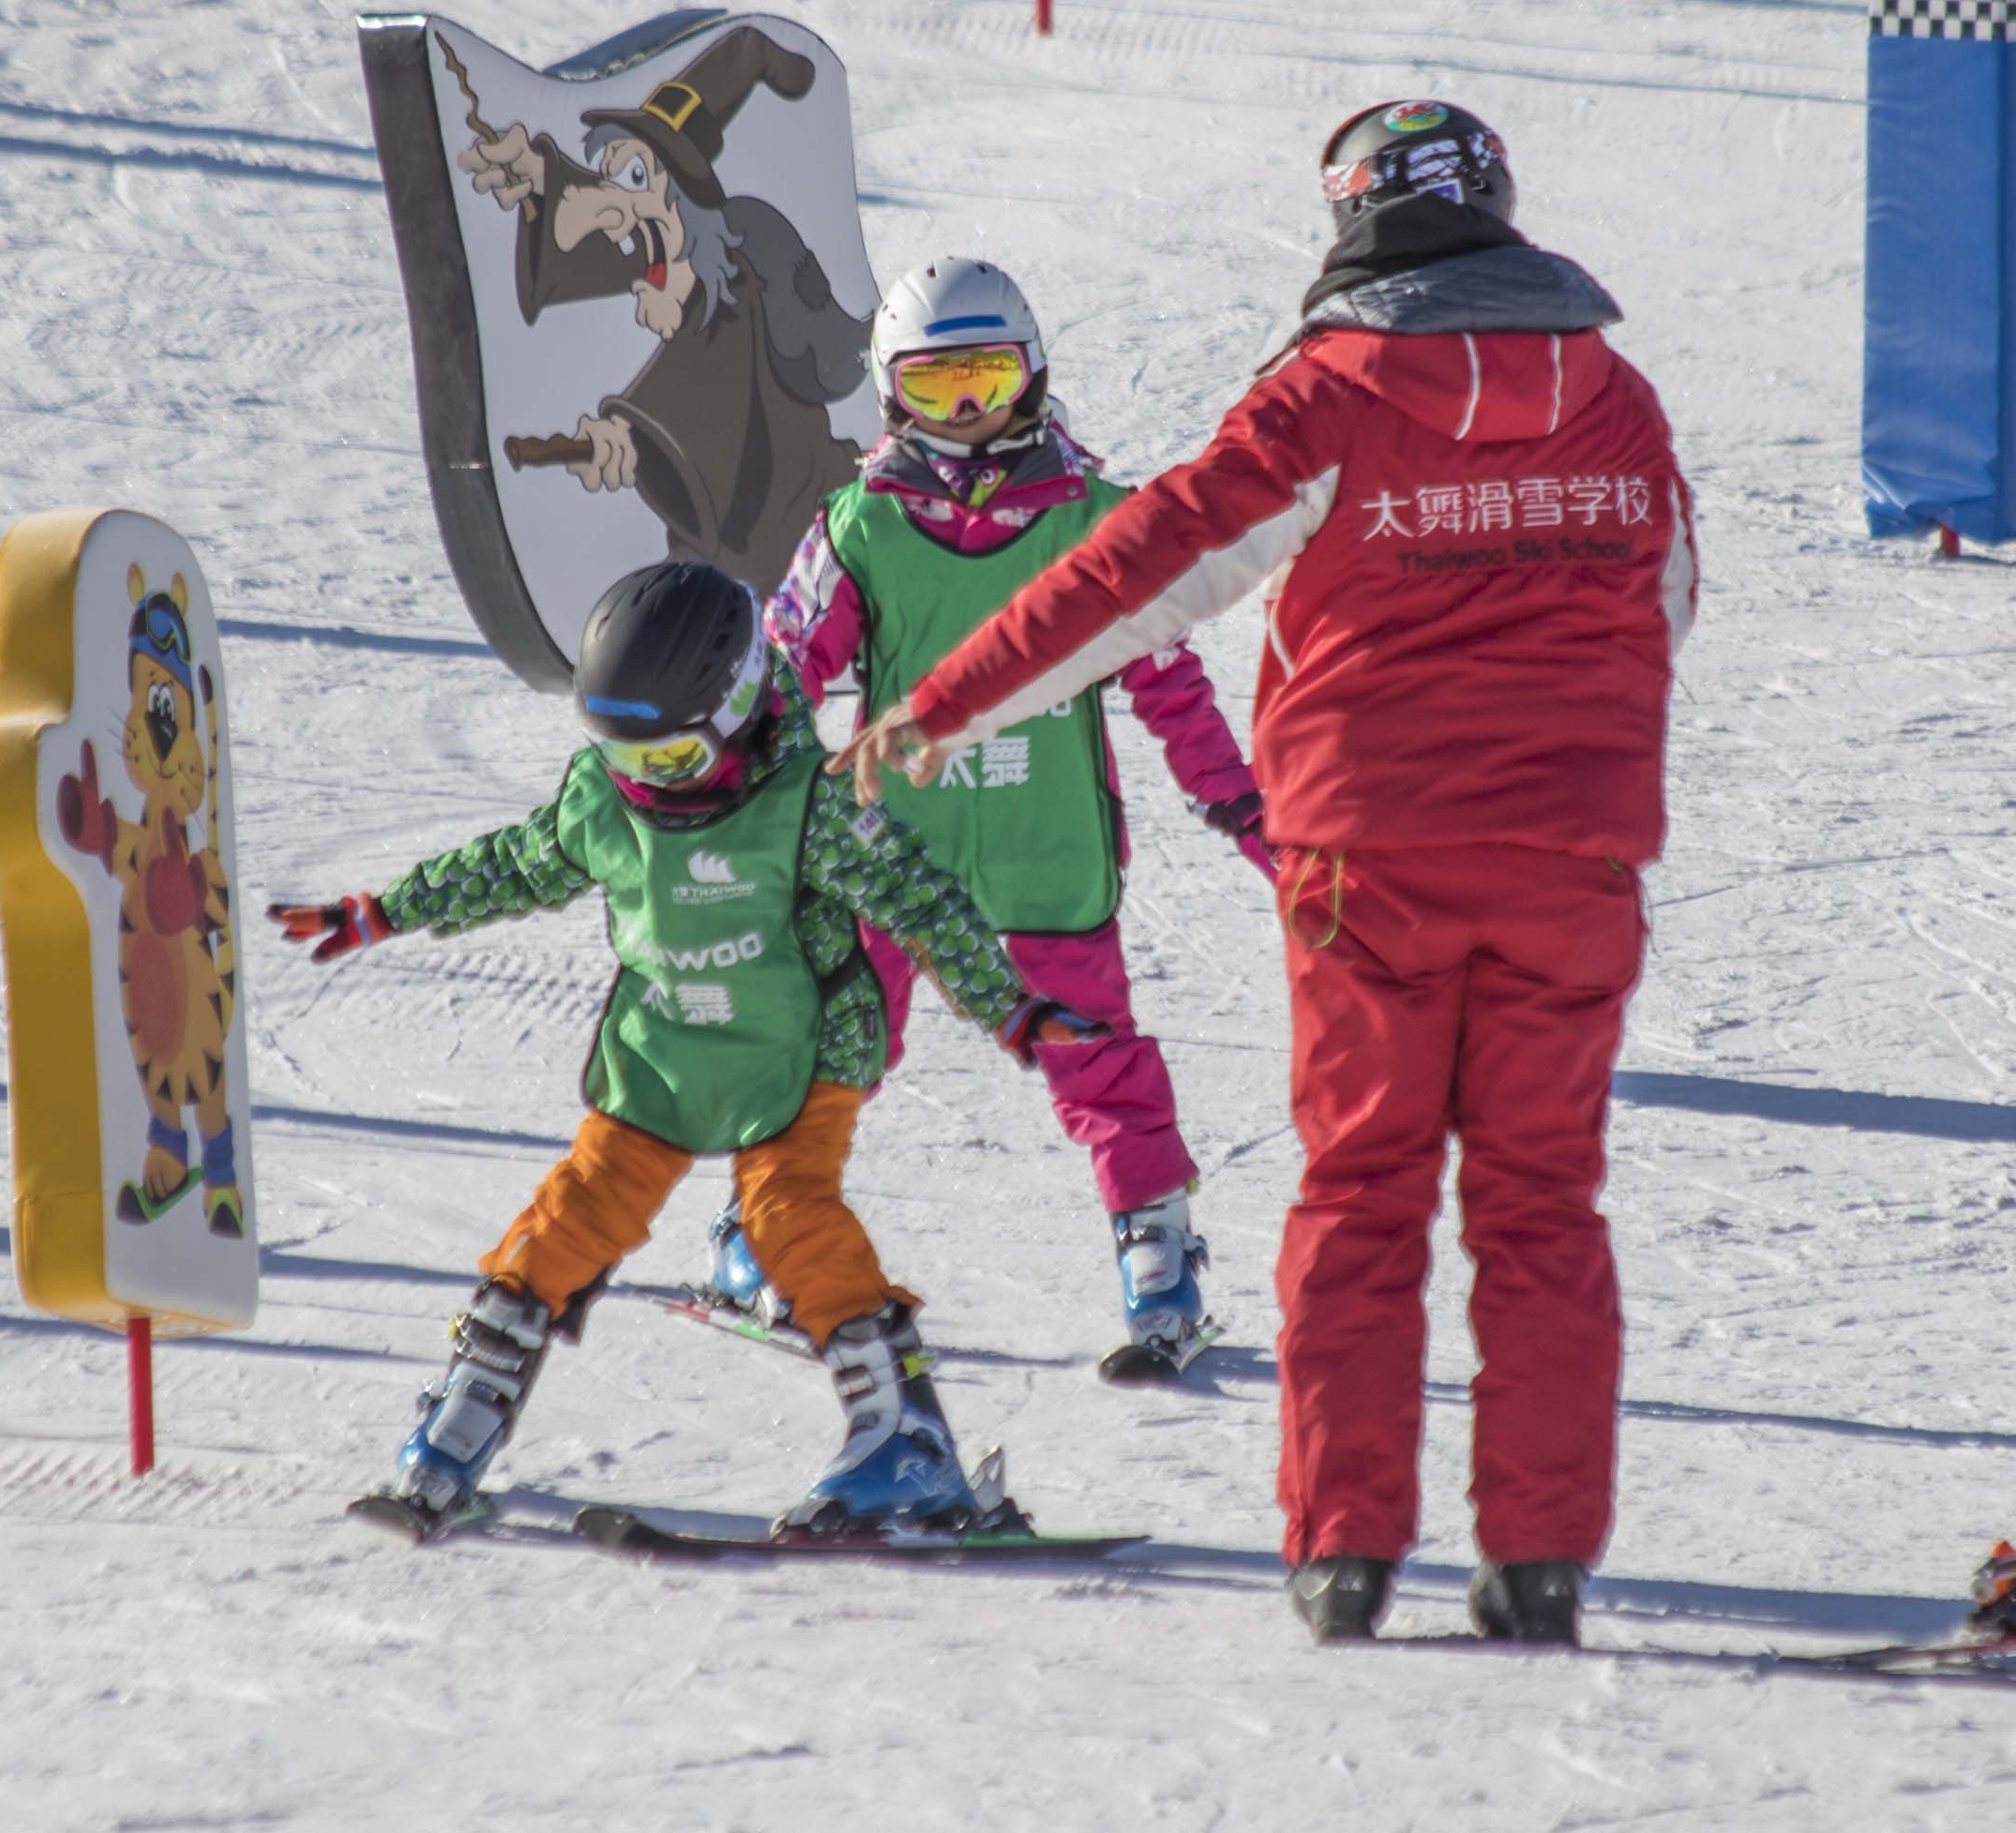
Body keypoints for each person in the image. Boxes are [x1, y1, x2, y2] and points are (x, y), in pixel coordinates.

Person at [837, 103, 1697, 1645]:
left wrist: (939, 701)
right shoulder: (1613, 395)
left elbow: (1132, 570)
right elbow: (1667, 594)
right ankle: (1538, 1559)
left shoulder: (1331, 392)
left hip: (1369, 851)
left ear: (1347, 221)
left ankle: (1344, 1549)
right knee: (1541, 1202)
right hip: (1570, 852)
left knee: (1362, 1188)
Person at [269, 559, 1099, 1542]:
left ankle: (906, 1449)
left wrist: (1008, 1006)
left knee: (790, 1219)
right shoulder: (605, 799)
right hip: (663, 1052)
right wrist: (386, 910)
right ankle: (459, 1427)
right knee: (572, 1217)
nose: (642, 778)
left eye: (669, 759)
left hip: (802, 1052)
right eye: (622, 753)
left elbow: (924, 901)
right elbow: (516, 865)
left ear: (742, 703)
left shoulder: (815, 806)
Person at [742, 257, 1271, 1378]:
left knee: (1095, 1058)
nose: (971, 413)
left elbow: (1167, 681)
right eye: (939, 389)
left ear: (1033, 373)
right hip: (892, 855)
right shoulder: (861, 529)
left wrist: (1237, 800)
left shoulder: (1097, 519)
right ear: (893, 396)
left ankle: (1159, 1257)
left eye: (987, 378)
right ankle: (767, 1233)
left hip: (1044, 846)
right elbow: (785, 672)